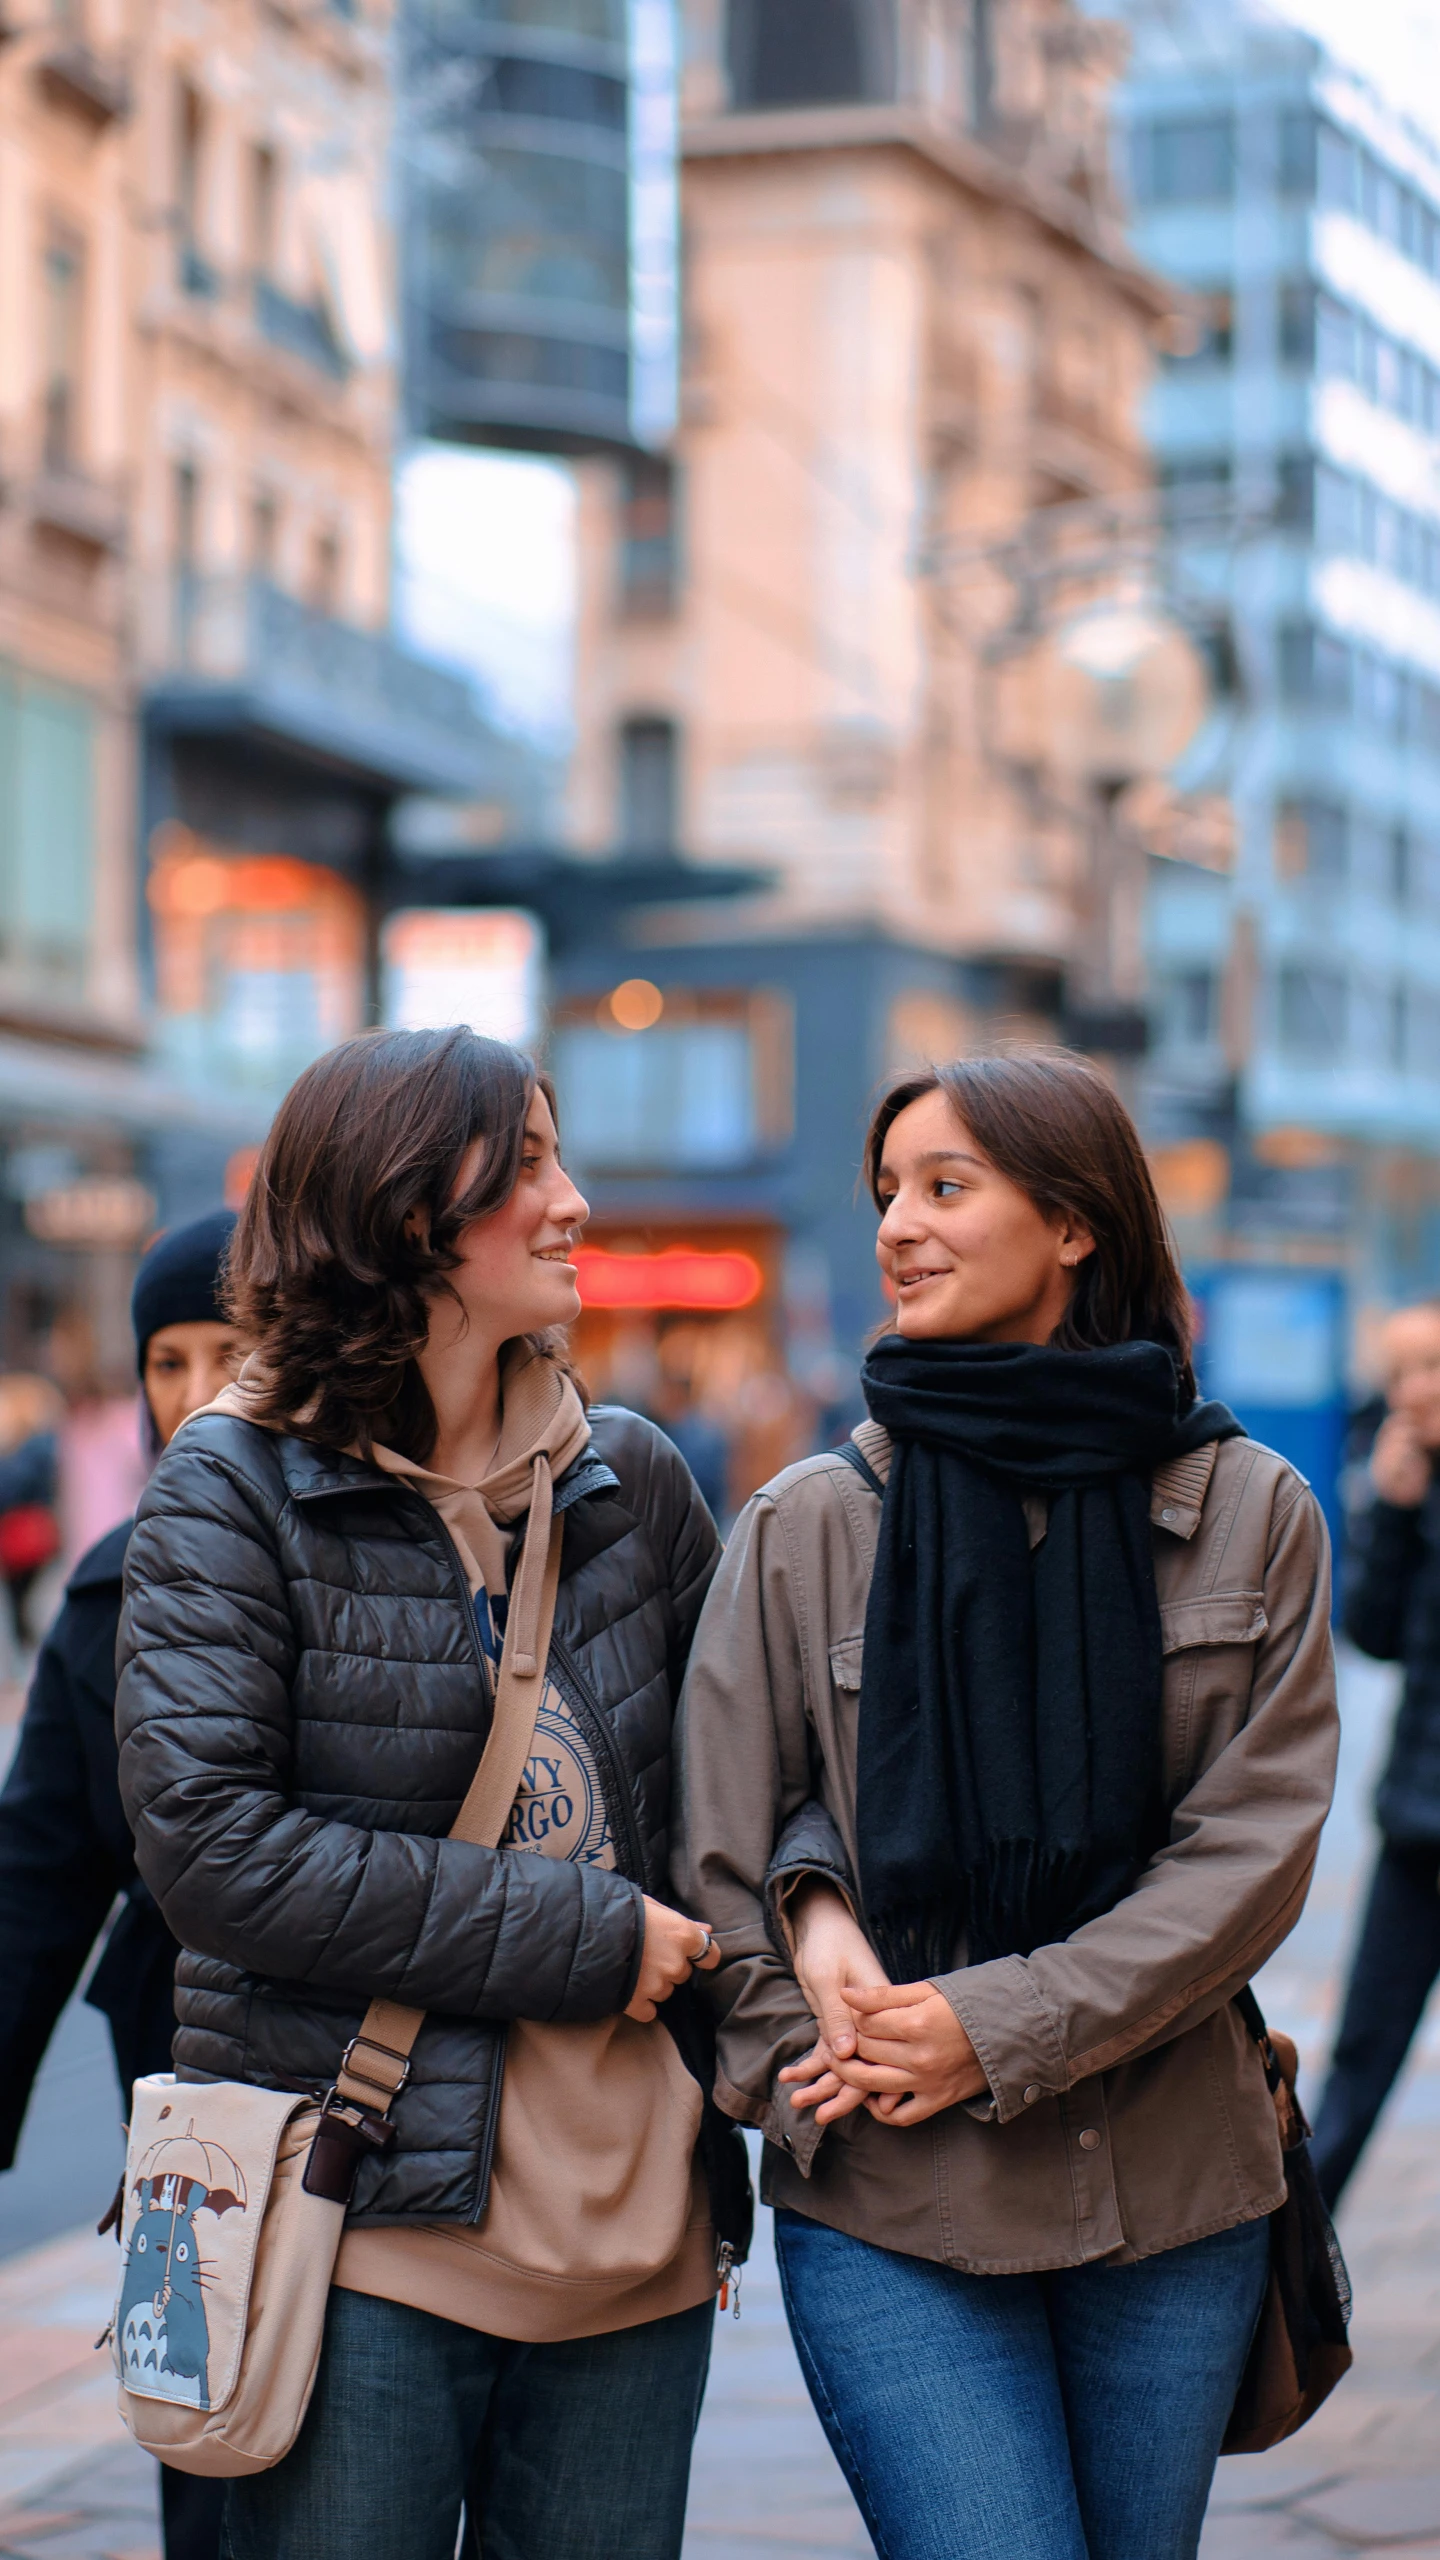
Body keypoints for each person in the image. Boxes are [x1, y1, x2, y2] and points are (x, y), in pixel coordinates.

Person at [673, 1049, 1339, 2560]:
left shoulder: (1248, 1513)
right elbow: (716, 1846)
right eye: (888, 1191)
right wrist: (817, 2065)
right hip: (900, 2200)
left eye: (946, 1186)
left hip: (1172, 2188)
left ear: (1078, 1221)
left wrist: (997, 2024)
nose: (899, 1223)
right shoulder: (808, 1528)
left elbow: (1252, 1855)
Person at [115, 1027, 749, 2560]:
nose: (573, 1202)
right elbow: (214, 1852)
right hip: (364, 2227)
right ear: (410, 1212)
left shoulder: (634, 1482)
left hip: (637, 2242)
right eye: (526, 1164)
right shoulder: (232, 1484)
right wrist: (584, 1935)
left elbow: (743, 1801)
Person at [0, 1207, 240, 2560]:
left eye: (234, 1350)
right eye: (167, 1359)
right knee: (204, 2474)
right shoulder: (107, 1595)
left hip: (391, 2120)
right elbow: (31, 1879)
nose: (197, 1394)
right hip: (189, 2130)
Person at [1311, 1300, 1440, 2208]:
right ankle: (1293, 2274)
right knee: (1360, 2055)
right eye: (1400, 1375)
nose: (1415, 1394)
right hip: (1418, 1820)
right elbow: (1377, 1637)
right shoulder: (1404, 1482)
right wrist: (1390, 1516)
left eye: (1431, 1368)